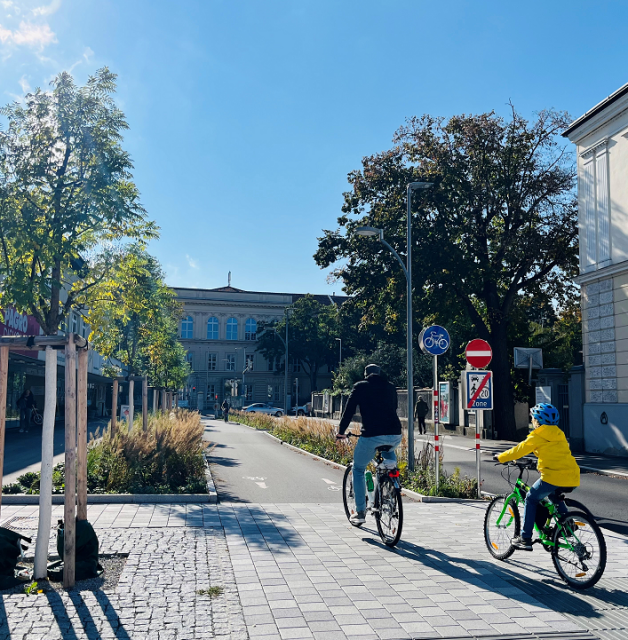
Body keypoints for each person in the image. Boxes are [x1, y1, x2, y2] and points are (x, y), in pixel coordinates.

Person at [495, 403, 580, 551]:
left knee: (531, 498)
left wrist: (500, 457)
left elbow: (518, 450)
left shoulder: (537, 435)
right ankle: (568, 525)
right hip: (572, 476)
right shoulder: (560, 434)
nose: (532, 421)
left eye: (533, 418)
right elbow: (556, 455)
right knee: (554, 497)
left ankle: (525, 537)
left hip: (552, 476)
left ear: (537, 421)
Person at [336, 364, 402, 525]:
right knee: (388, 459)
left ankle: (360, 512)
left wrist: (341, 431)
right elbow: (394, 407)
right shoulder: (391, 387)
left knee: (358, 469)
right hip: (395, 435)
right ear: (380, 373)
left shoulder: (360, 387)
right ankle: (391, 484)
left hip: (372, 435)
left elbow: (349, 411)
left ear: (365, 375)